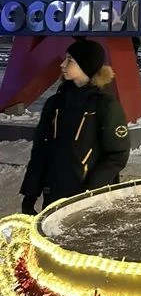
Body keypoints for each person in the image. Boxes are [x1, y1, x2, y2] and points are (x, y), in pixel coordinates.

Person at [19, 40, 131, 214]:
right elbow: (40, 151)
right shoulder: (55, 103)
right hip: (54, 195)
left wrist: (90, 190)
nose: (63, 64)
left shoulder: (105, 105)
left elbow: (117, 154)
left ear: (86, 65)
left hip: (92, 201)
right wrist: (30, 194)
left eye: (70, 60)